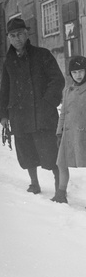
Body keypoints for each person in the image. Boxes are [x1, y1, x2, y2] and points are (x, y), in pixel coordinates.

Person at [0, 17, 65, 196]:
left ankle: (60, 188)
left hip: (42, 114)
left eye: (20, 34)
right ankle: (34, 183)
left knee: (51, 152)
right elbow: (5, 88)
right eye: (12, 35)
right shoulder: (9, 61)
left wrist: (47, 102)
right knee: (26, 151)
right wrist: (3, 115)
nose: (17, 38)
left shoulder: (42, 55)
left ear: (27, 34)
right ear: (9, 38)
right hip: (19, 115)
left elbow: (57, 80)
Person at [52, 56, 86, 204]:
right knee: (61, 163)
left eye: (81, 71)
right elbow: (64, 112)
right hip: (68, 133)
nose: (78, 75)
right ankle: (61, 194)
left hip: (83, 133)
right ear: (70, 74)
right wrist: (59, 132)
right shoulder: (68, 90)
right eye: (75, 72)